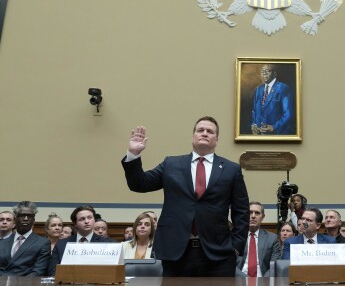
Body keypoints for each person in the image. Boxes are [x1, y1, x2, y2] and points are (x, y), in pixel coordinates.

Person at [122, 116, 250, 277]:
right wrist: (133, 154)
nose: (204, 133)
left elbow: (242, 211)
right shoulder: (171, 164)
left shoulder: (231, 169)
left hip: (218, 253)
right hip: (176, 252)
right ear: (193, 137)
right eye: (200, 130)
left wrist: (236, 246)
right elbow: (139, 184)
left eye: (210, 131)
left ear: (216, 139)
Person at [49, 205, 115, 275]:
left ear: (94, 220)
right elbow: (53, 272)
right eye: (82, 219)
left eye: (89, 218)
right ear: (75, 224)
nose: (86, 221)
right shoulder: (61, 244)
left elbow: (111, 271)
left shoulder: (108, 244)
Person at [0, 201, 51, 276]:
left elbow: (38, 271)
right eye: (22, 216)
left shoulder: (43, 243)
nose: (26, 219)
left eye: (30, 216)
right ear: (15, 219)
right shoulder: (3, 242)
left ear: (34, 220)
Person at [236, 202, 280, 277]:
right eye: (250, 212)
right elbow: (229, 264)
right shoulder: (235, 237)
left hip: (263, 280)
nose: (253, 216)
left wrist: (261, 281)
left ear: (262, 217)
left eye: (257, 213)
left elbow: (274, 265)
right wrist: (247, 279)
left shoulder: (272, 238)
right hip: (240, 279)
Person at [250, 64, 294, 135]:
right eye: (262, 71)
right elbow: (254, 111)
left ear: (275, 73)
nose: (264, 73)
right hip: (258, 134)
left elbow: (288, 114)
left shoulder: (283, 88)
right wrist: (253, 124)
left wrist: (274, 127)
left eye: (267, 70)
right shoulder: (259, 89)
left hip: (275, 134)